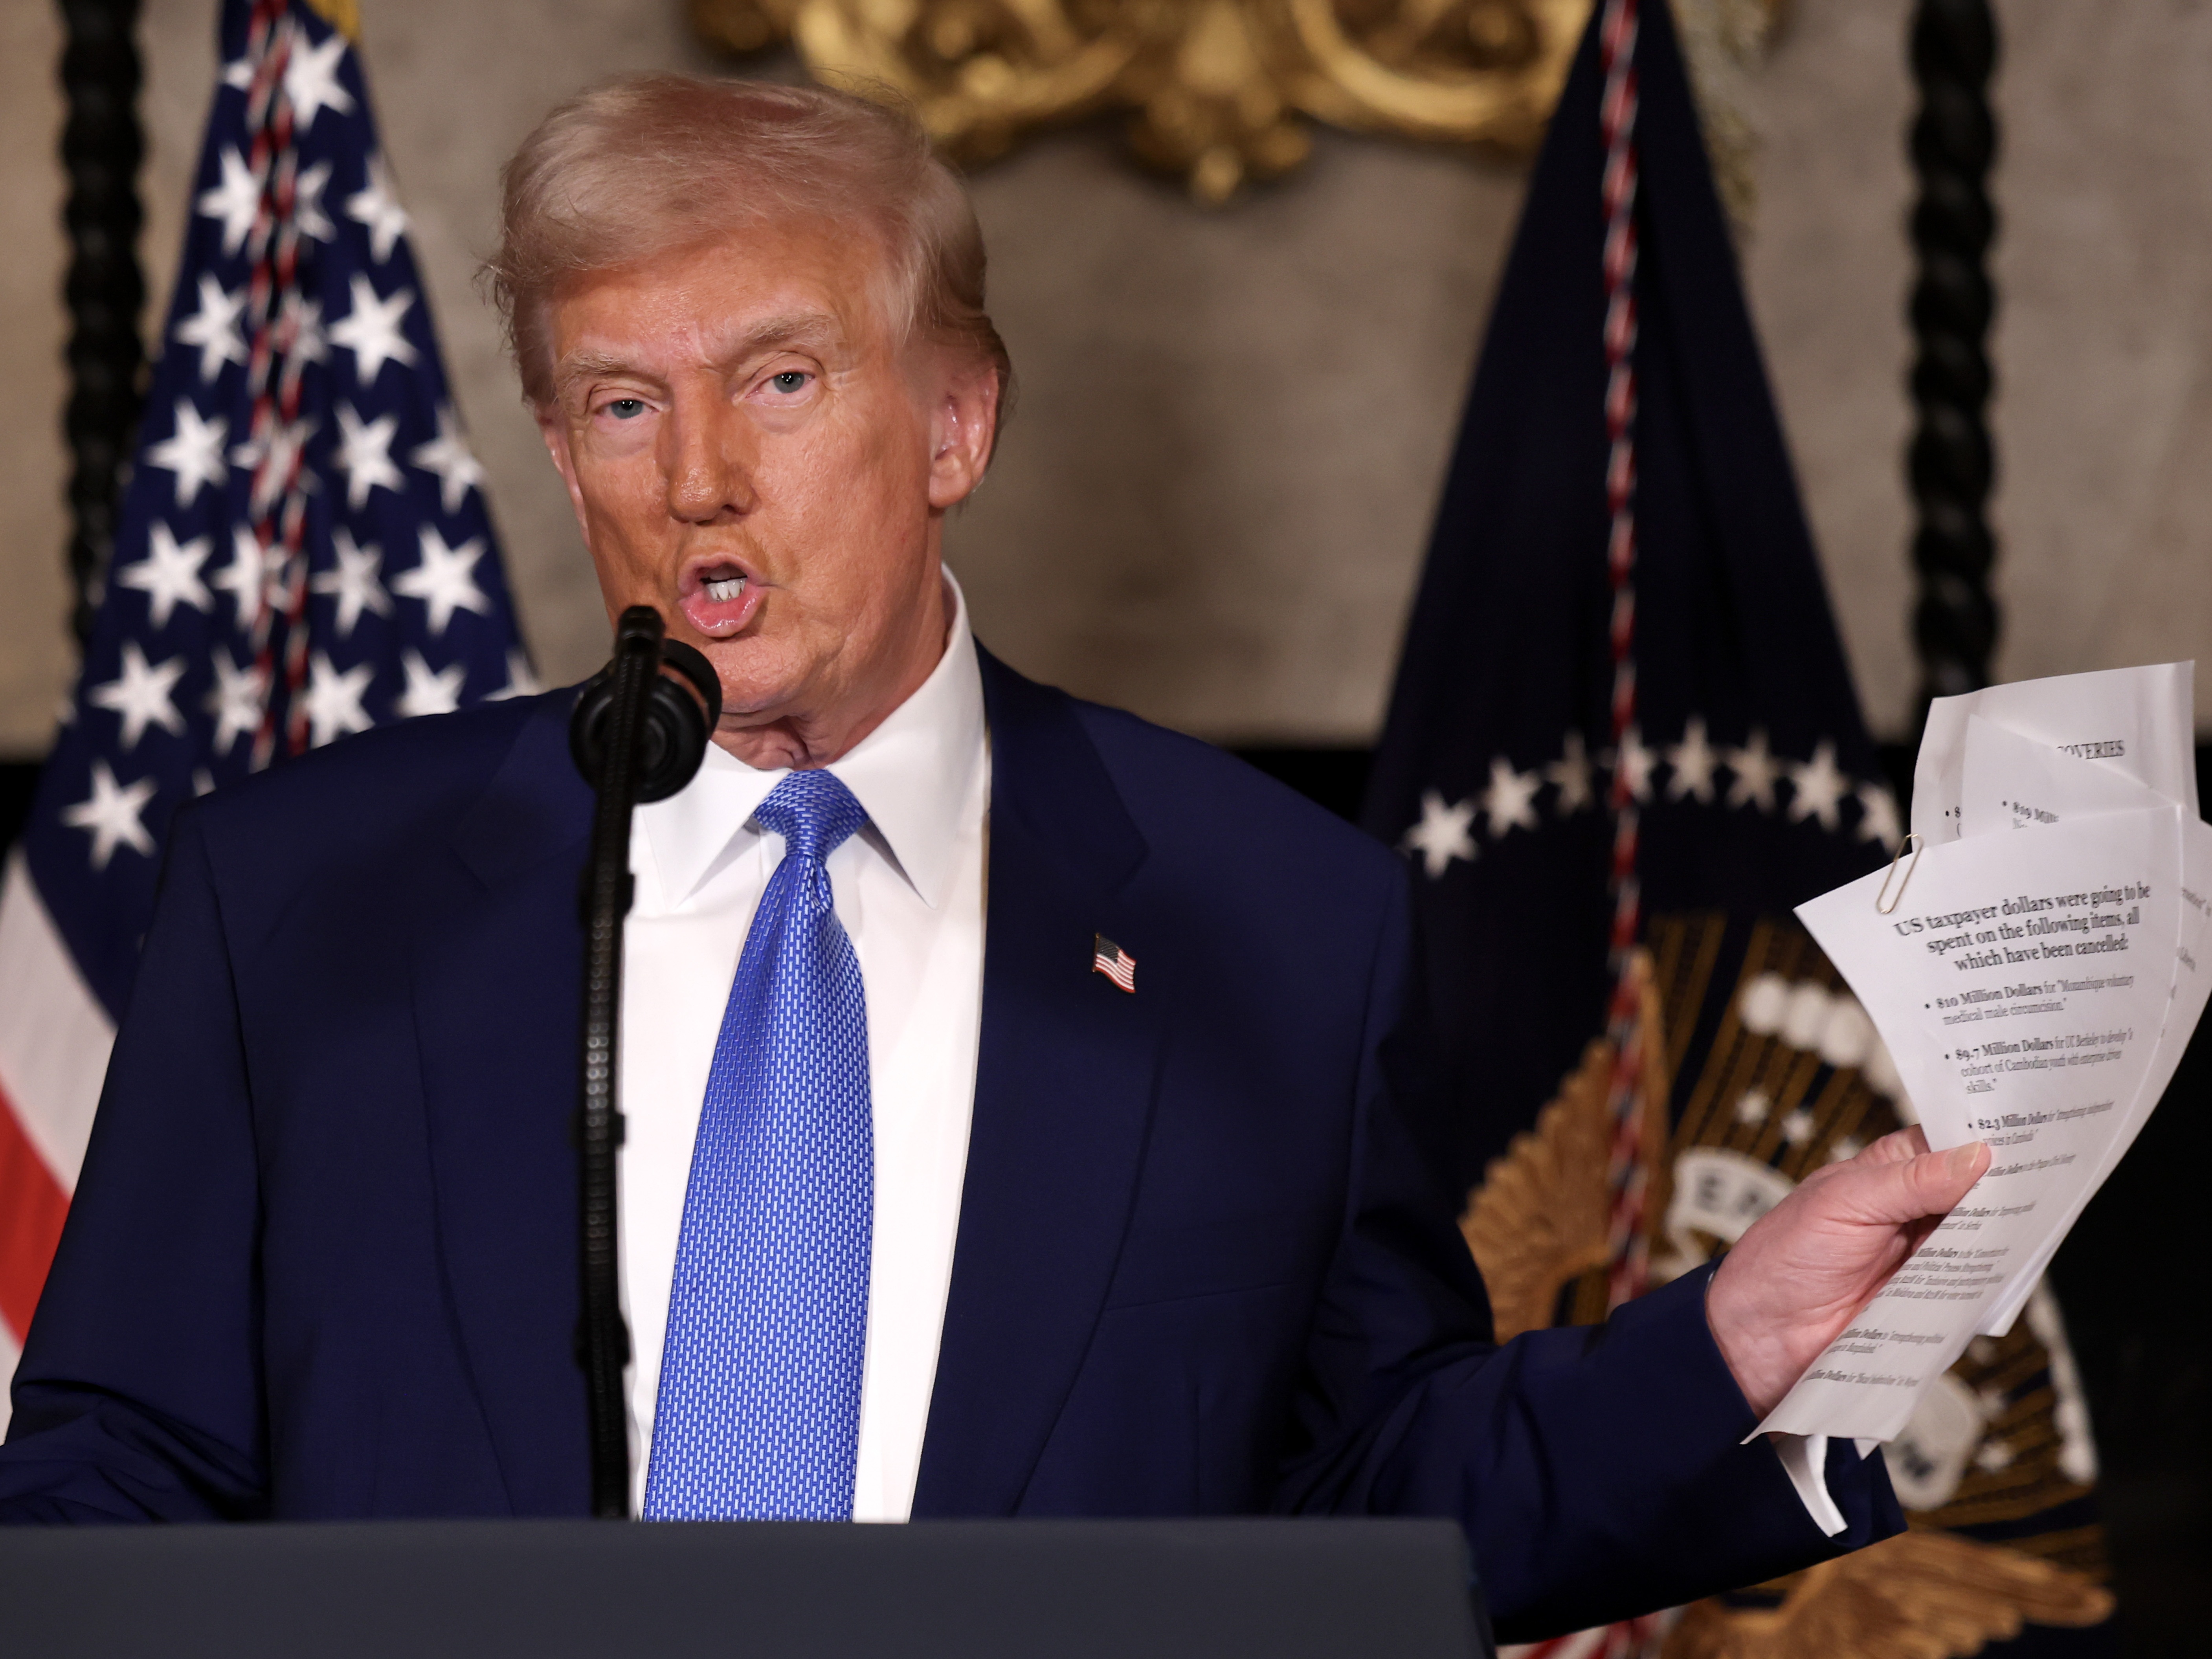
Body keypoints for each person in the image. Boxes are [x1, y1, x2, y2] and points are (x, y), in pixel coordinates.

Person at [0, 76, 1988, 1640]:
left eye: (780, 381)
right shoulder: (300, 898)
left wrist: (1727, 1351)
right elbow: (113, 1486)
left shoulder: (1276, 923)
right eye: (622, 404)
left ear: (955, 425)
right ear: (559, 450)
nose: (698, 480)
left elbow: (1367, 1510)